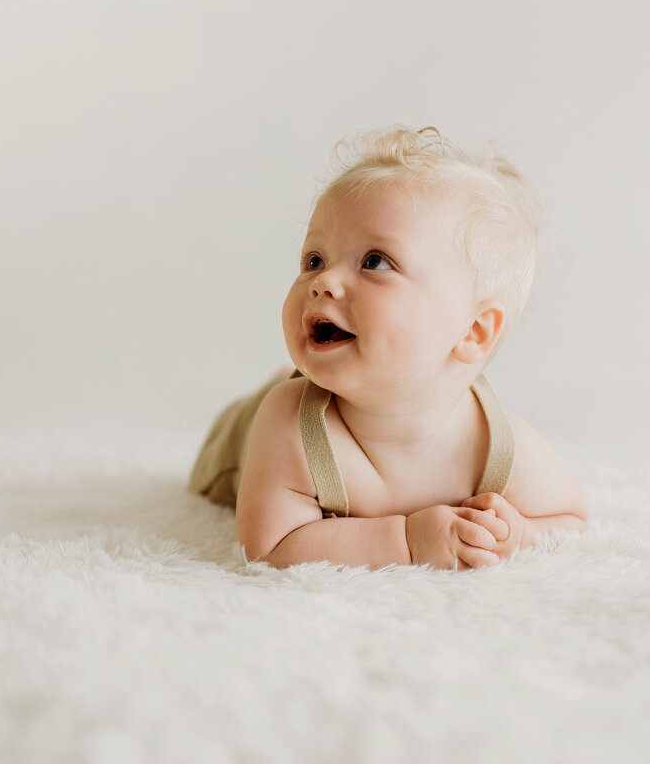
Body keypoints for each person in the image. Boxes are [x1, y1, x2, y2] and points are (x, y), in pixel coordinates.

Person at [188, 126, 587, 570]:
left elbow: (570, 517)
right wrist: (408, 540)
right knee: (265, 405)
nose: (322, 282)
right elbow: (270, 547)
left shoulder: (502, 447)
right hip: (240, 445)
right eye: (314, 260)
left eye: (374, 261)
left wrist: (520, 532)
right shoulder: (288, 424)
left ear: (473, 331)